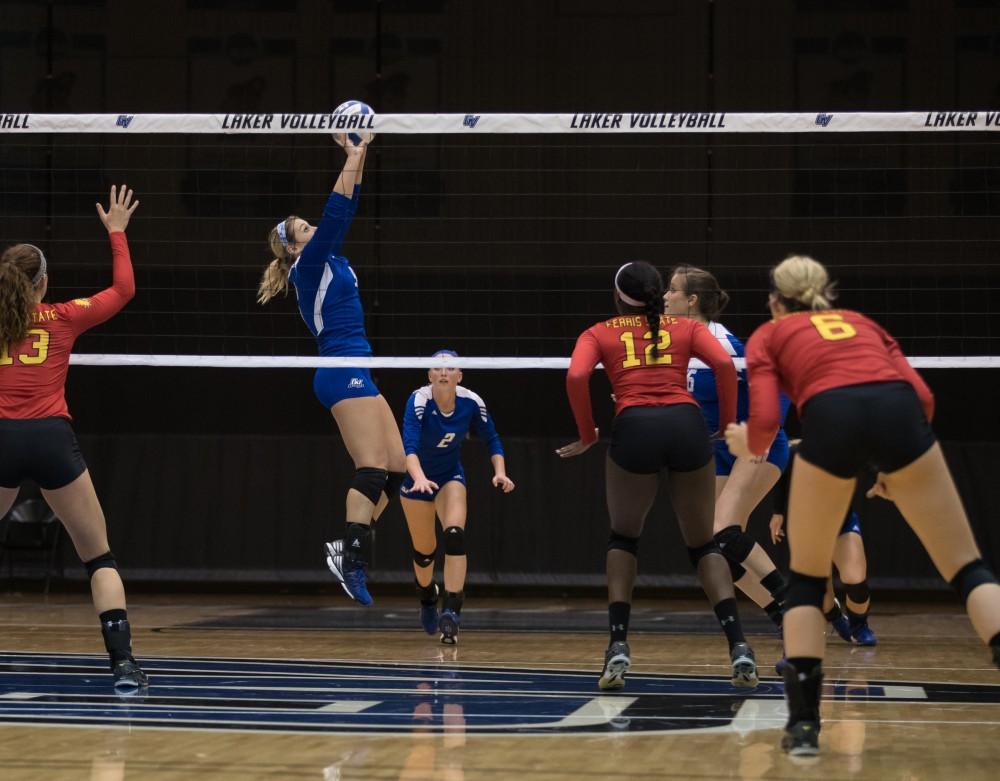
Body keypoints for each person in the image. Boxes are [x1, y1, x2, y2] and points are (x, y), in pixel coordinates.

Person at [726, 254, 1000, 756]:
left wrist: (747, 443)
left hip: (832, 417)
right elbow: (923, 397)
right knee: (967, 567)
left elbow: (766, 419)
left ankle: (805, 727)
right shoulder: (861, 322)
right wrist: (896, 469)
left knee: (808, 580)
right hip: (901, 417)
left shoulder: (769, 334)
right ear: (825, 291)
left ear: (774, 299)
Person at [558, 260, 758, 691]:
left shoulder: (599, 332)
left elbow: (576, 375)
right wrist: (724, 426)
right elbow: (726, 366)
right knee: (703, 543)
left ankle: (618, 646)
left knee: (624, 538)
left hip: (635, 428)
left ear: (618, 296)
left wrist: (588, 433)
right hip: (687, 426)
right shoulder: (685, 327)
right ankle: (739, 646)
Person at [0, 184, 147, 692]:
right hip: (50, 440)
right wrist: (117, 233)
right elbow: (123, 291)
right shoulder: (61, 317)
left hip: (1, 440)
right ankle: (124, 666)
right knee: (98, 556)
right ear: (44, 284)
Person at [257, 135, 405, 606]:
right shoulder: (309, 264)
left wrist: (360, 157)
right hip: (341, 371)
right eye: (303, 226)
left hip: (357, 368)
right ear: (294, 246)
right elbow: (340, 211)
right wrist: (354, 156)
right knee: (372, 469)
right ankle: (354, 561)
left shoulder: (329, 256)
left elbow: (349, 203)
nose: (312, 225)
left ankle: (349, 546)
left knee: (398, 471)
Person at [665, 265, 790, 630]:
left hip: (756, 443)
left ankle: (794, 607)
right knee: (714, 548)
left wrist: (764, 431)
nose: (665, 297)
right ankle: (787, 615)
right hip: (717, 450)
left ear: (691, 300)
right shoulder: (673, 341)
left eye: (673, 290)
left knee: (723, 530)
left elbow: (776, 387)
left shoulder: (723, 343)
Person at [399, 350, 515, 644]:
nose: (443, 373)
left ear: (459, 375)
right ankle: (427, 597)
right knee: (425, 553)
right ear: (429, 375)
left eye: (450, 368)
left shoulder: (471, 401)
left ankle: (451, 611)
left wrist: (499, 471)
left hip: (450, 476)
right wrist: (420, 477)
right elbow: (408, 447)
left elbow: (492, 438)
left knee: (454, 535)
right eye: (437, 368)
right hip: (417, 479)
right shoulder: (419, 400)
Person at [770, 440, 876, 645]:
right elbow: (781, 479)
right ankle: (836, 619)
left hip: (841, 522)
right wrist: (777, 513)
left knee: (855, 580)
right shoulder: (795, 452)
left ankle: (859, 626)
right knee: (822, 599)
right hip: (807, 526)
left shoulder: (850, 447)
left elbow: (876, 460)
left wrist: (886, 477)